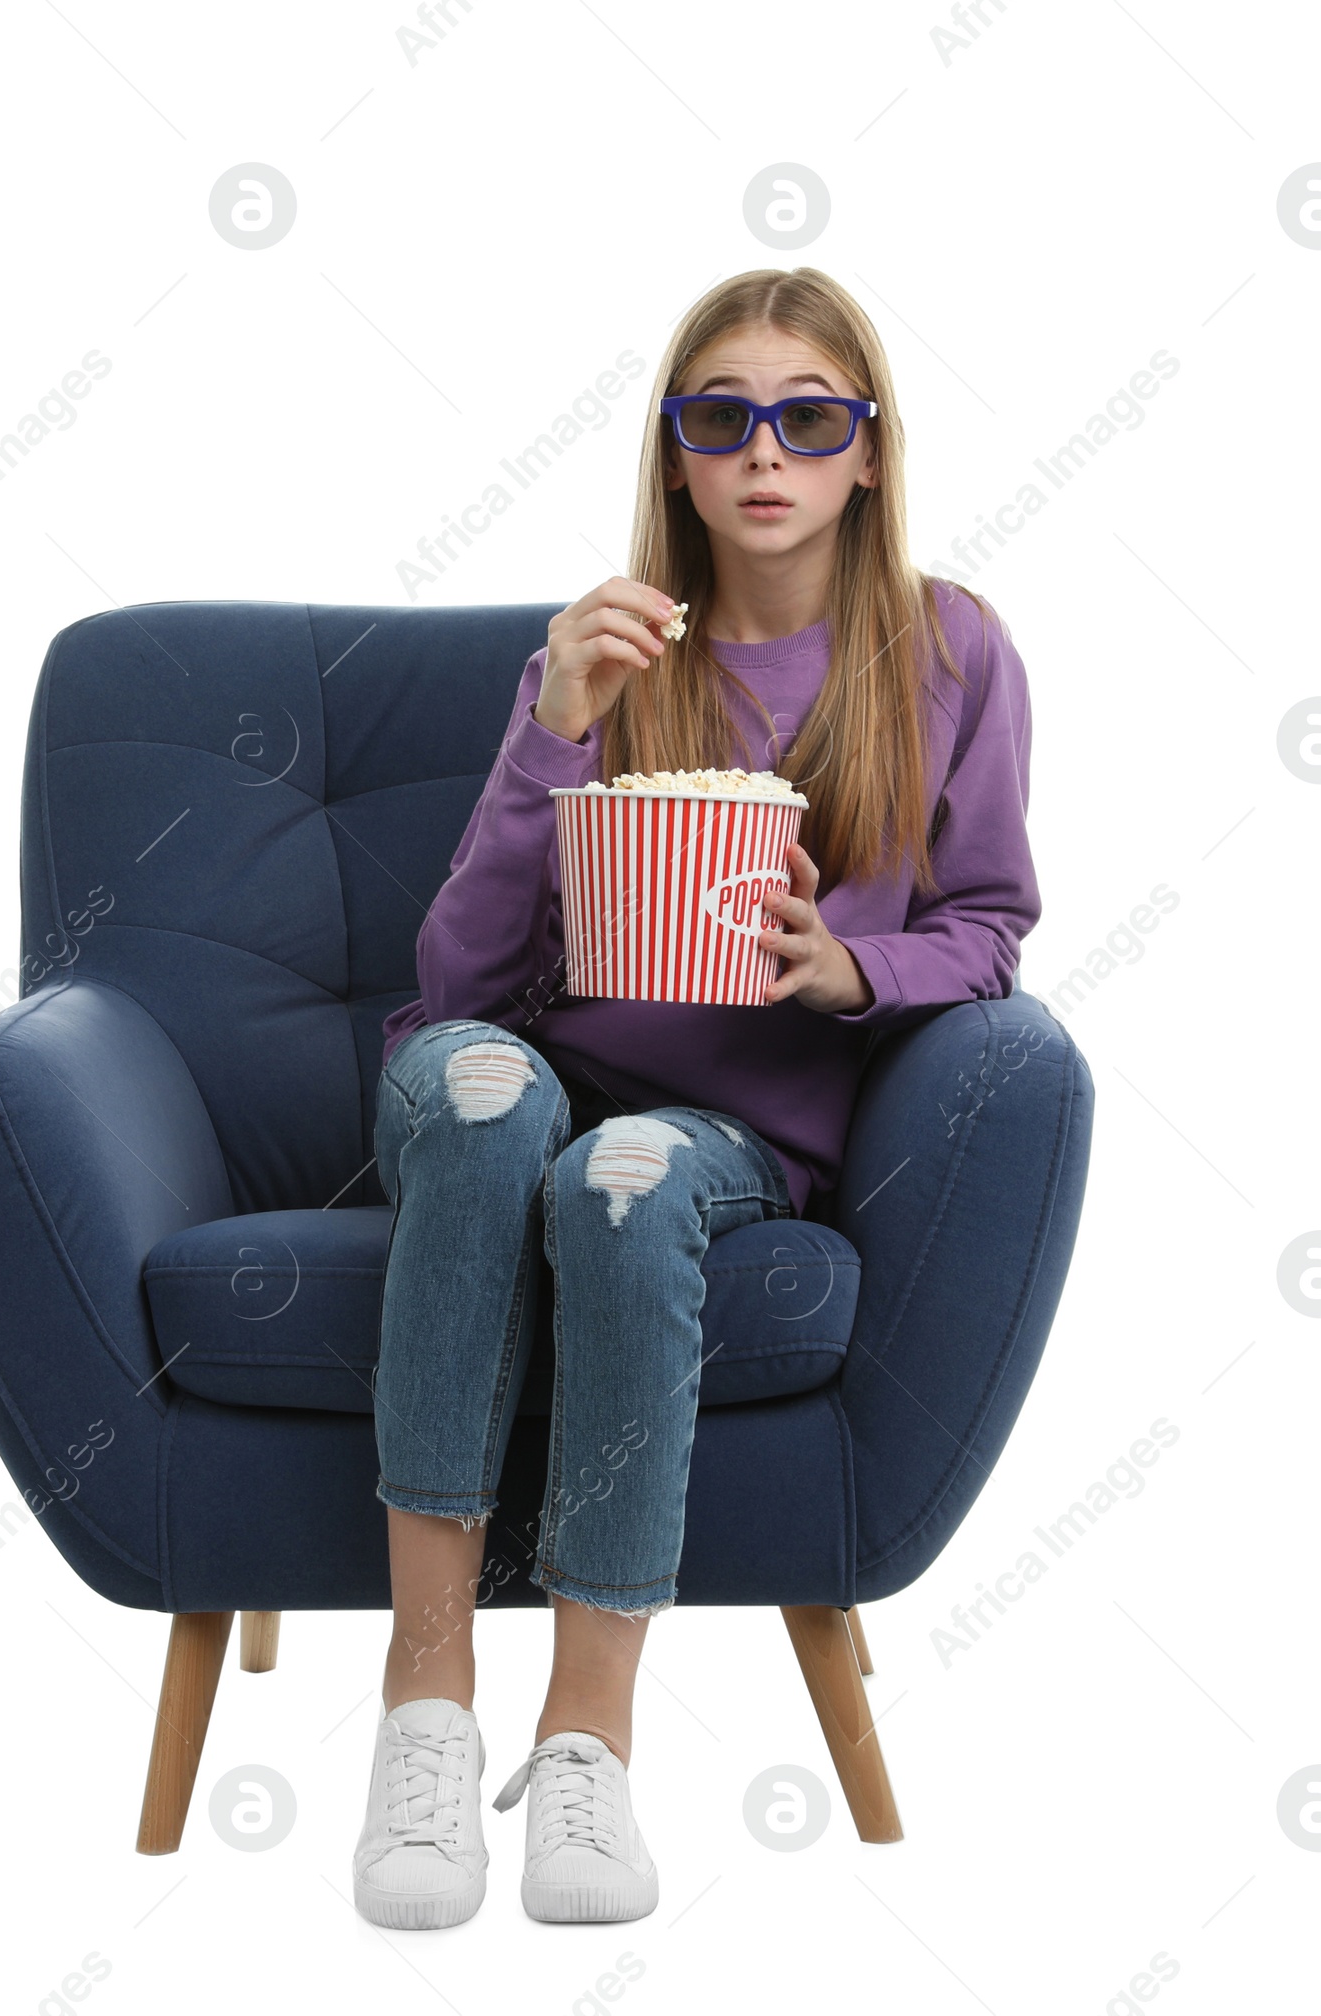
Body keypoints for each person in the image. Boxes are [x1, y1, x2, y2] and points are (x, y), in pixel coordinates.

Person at [351, 266, 1041, 1929]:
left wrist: (856, 973)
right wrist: (555, 727)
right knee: (485, 1091)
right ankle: (423, 1713)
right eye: (720, 417)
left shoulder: (945, 647)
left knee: (634, 1181)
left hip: (733, 1127)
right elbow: (457, 989)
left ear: (867, 452)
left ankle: (587, 1748)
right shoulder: (614, 649)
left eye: (809, 418)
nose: (765, 453)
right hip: (512, 1067)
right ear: (674, 454)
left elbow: (993, 926)